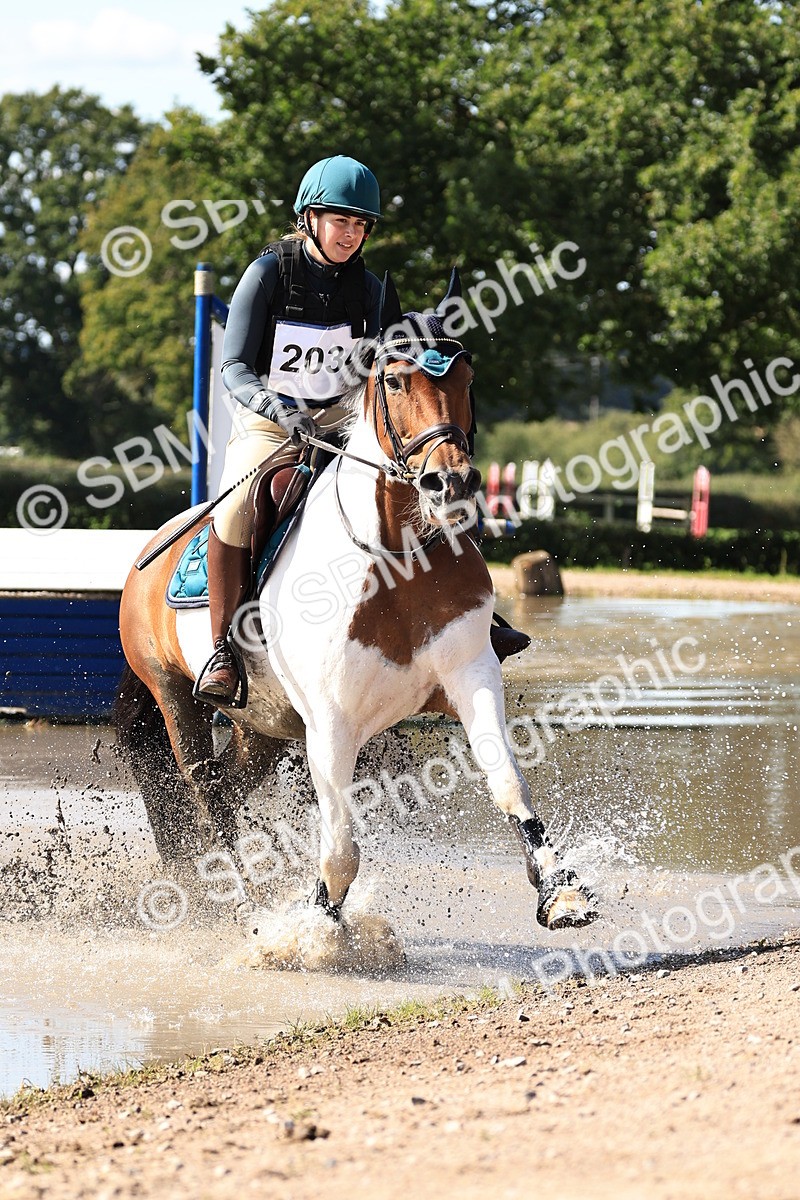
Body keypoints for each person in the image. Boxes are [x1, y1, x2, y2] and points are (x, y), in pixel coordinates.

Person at [195, 155, 528, 705]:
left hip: (344, 419)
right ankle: (223, 651)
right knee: (235, 508)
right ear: (309, 218)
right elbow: (234, 367)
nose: (350, 234)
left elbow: (390, 366)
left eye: (359, 224)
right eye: (340, 221)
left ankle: (475, 619)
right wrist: (278, 409)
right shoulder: (267, 274)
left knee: (426, 482)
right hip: (270, 418)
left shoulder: (370, 290)